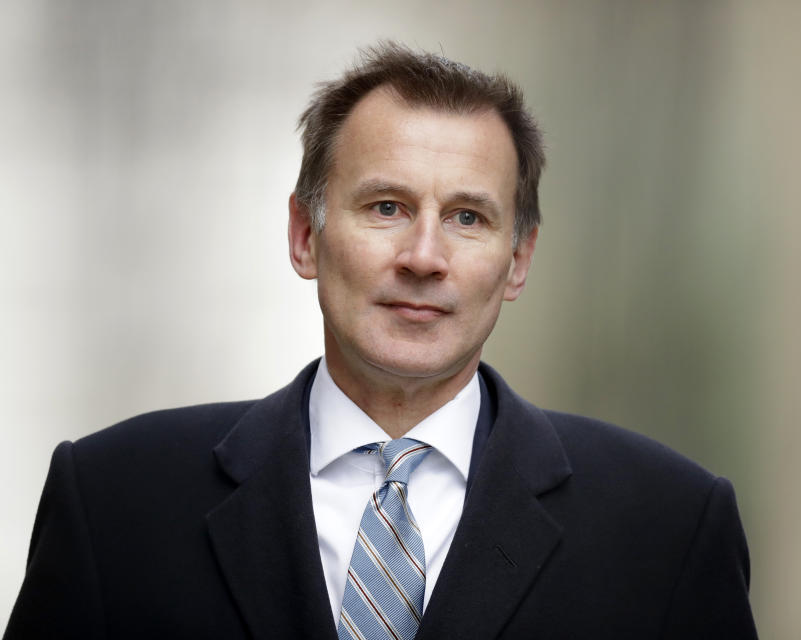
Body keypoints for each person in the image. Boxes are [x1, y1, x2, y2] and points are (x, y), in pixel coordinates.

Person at [5, 43, 758, 639]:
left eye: (468, 217)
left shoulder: (669, 528)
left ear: (518, 260)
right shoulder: (113, 503)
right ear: (305, 234)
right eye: (388, 206)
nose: (424, 257)